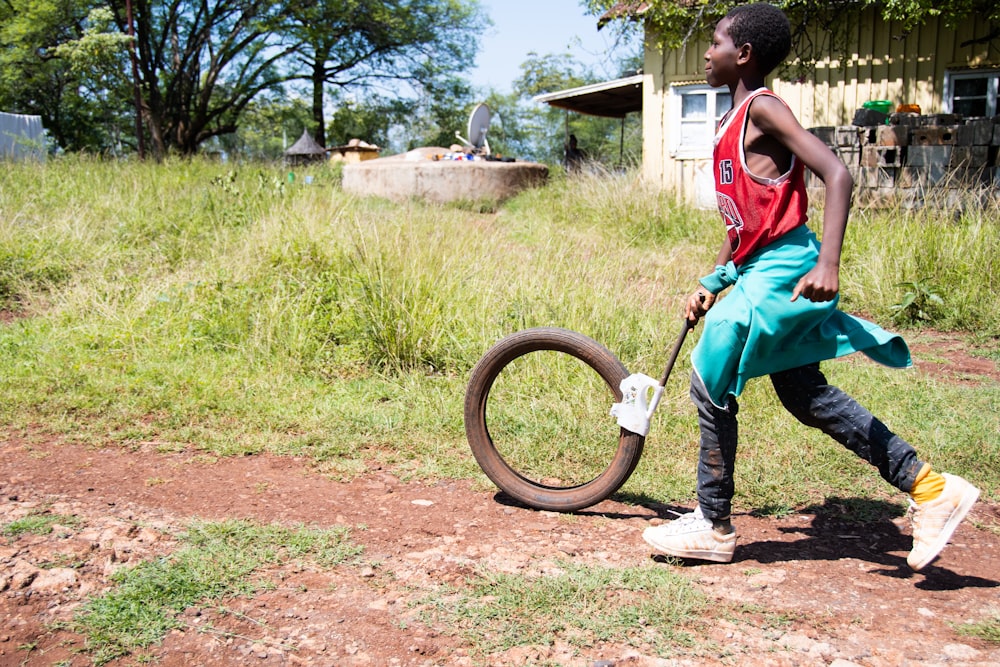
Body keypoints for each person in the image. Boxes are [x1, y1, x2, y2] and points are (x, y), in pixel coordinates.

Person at [641, 3, 979, 571]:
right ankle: (931, 489)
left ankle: (712, 523)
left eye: (716, 42)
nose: (707, 52)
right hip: (761, 267)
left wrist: (829, 263)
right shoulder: (729, 121)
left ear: (742, 54)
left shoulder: (763, 109)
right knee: (806, 394)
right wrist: (715, 280)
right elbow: (746, 224)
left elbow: (837, 172)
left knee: (710, 370)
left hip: (788, 268)